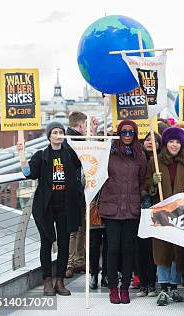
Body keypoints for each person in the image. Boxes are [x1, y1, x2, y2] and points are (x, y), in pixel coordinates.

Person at [18, 121, 83, 296]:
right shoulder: (41, 156)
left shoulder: (69, 154)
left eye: (61, 132)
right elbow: (28, 173)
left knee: (64, 243)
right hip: (46, 206)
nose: (58, 134)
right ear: (49, 136)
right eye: (55, 132)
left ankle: (59, 281)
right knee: (46, 242)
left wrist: (90, 132)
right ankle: (47, 280)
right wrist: (21, 154)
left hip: (66, 206)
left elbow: (85, 160)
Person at [146, 127, 184, 306]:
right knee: (162, 251)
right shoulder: (155, 161)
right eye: (171, 141)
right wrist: (153, 182)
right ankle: (163, 288)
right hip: (161, 213)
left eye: (178, 142)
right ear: (165, 143)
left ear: (182, 144)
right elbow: (146, 184)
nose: (174, 145)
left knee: (178, 251)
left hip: (181, 214)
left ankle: (174, 287)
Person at [99, 120, 147, 304]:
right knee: (112, 250)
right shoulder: (108, 153)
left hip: (132, 208)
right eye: (124, 132)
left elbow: (142, 180)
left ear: (135, 134)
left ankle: (125, 288)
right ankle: (113, 287)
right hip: (112, 208)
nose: (127, 136)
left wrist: (144, 194)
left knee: (128, 250)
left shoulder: (140, 155)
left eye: (131, 133)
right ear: (119, 133)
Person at [64, 112, 98, 278]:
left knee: (80, 226)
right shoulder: (72, 141)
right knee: (74, 227)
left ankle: (77, 260)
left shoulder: (73, 139)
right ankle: (71, 262)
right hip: (75, 191)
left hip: (77, 190)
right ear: (81, 124)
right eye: (86, 125)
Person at [135, 132, 162, 298]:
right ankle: (142, 282)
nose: (151, 143)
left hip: (155, 208)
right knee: (140, 248)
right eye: (147, 140)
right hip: (138, 207)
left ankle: (151, 283)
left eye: (155, 141)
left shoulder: (161, 161)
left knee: (153, 249)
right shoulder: (137, 158)